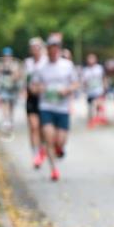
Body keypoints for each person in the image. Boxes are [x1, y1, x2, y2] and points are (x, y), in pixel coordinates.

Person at [30, 34, 78, 181]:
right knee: (49, 138)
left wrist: (67, 90)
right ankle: (54, 170)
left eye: (56, 47)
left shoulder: (67, 65)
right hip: (46, 107)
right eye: (51, 47)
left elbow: (76, 83)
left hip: (62, 108)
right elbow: (32, 87)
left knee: (60, 141)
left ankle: (59, 148)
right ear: (48, 49)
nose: (54, 50)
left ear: (59, 49)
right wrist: (39, 89)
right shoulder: (40, 67)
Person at [24, 37, 47, 168]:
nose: (35, 50)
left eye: (37, 47)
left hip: (44, 98)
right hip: (31, 98)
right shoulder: (28, 63)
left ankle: (42, 148)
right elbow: (25, 79)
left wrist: (41, 88)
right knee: (33, 127)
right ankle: (35, 154)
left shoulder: (46, 62)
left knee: (43, 129)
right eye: (32, 47)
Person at [0, 47, 21, 130]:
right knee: (5, 103)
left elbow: (17, 75)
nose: (6, 57)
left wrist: (11, 73)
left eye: (8, 56)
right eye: (5, 56)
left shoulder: (15, 64)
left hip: (13, 88)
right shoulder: (0, 65)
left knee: (11, 105)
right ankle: (6, 120)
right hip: (4, 88)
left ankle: (10, 120)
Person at [81, 53, 107, 127]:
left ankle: (98, 119)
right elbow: (84, 81)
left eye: (92, 58)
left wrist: (105, 88)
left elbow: (104, 78)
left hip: (98, 91)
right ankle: (91, 121)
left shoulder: (99, 68)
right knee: (90, 108)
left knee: (98, 106)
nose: (91, 60)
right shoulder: (85, 70)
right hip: (90, 92)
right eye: (89, 59)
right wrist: (84, 88)